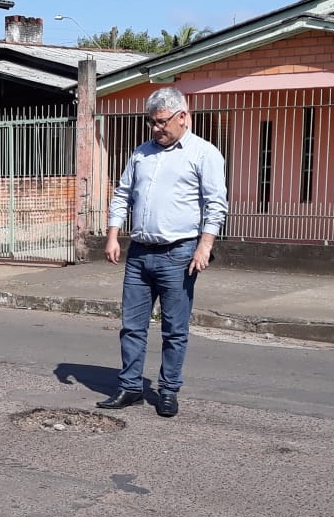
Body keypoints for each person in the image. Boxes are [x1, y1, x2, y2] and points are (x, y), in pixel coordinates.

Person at [97, 86, 228, 417]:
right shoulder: (141, 153)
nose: (156, 128)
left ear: (182, 116)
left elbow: (216, 205)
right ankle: (130, 387)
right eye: (152, 122)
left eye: (161, 122)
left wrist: (204, 246)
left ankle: (168, 391)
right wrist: (113, 236)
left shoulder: (204, 154)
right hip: (139, 254)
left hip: (178, 255)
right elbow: (122, 194)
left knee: (174, 330)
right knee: (132, 326)